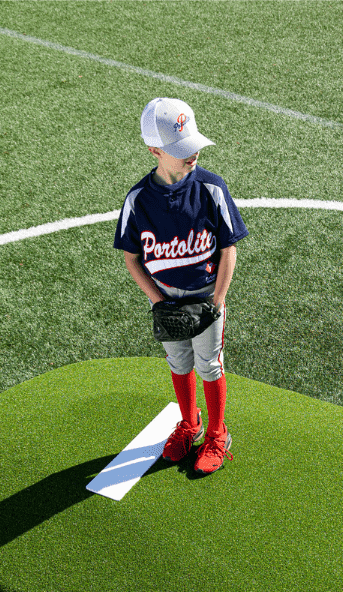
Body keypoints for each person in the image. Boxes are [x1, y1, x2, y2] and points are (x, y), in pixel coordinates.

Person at [114, 98, 249, 474]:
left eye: (193, 145)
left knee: (209, 365)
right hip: (168, 300)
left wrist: (218, 301)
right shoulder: (138, 199)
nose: (192, 154)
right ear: (153, 149)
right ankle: (190, 424)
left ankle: (218, 433)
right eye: (181, 149)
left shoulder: (211, 187)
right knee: (179, 362)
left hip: (207, 298)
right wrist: (158, 302)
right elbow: (131, 258)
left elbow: (228, 247)